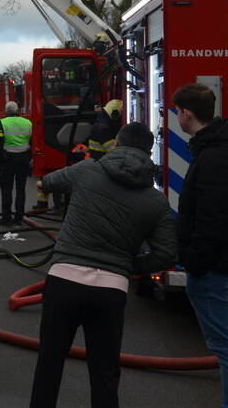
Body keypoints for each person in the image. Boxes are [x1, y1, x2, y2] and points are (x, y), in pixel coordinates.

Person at [29, 122, 177, 408]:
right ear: (149, 152)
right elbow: (167, 254)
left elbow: (46, 183)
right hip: (110, 292)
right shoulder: (157, 202)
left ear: (116, 144)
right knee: (105, 372)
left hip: (63, 281)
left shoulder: (87, 170)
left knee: (50, 362)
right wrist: (129, 266)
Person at [172, 82, 228, 407]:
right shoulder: (214, 149)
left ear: (186, 114)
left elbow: (212, 219)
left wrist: (193, 261)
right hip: (217, 265)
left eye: (178, 112)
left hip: (213, 270)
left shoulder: (212, 158)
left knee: (224, 347)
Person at [0, 101, 33, 226]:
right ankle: (19, 217)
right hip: (23, 160)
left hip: (8, 161)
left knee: (7, 189)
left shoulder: (1, 123)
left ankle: (6, 217)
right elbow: (31, 141)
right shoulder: (27, 123)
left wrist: (0, 160)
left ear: (6, 111)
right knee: (21, 189)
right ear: (18, 111)